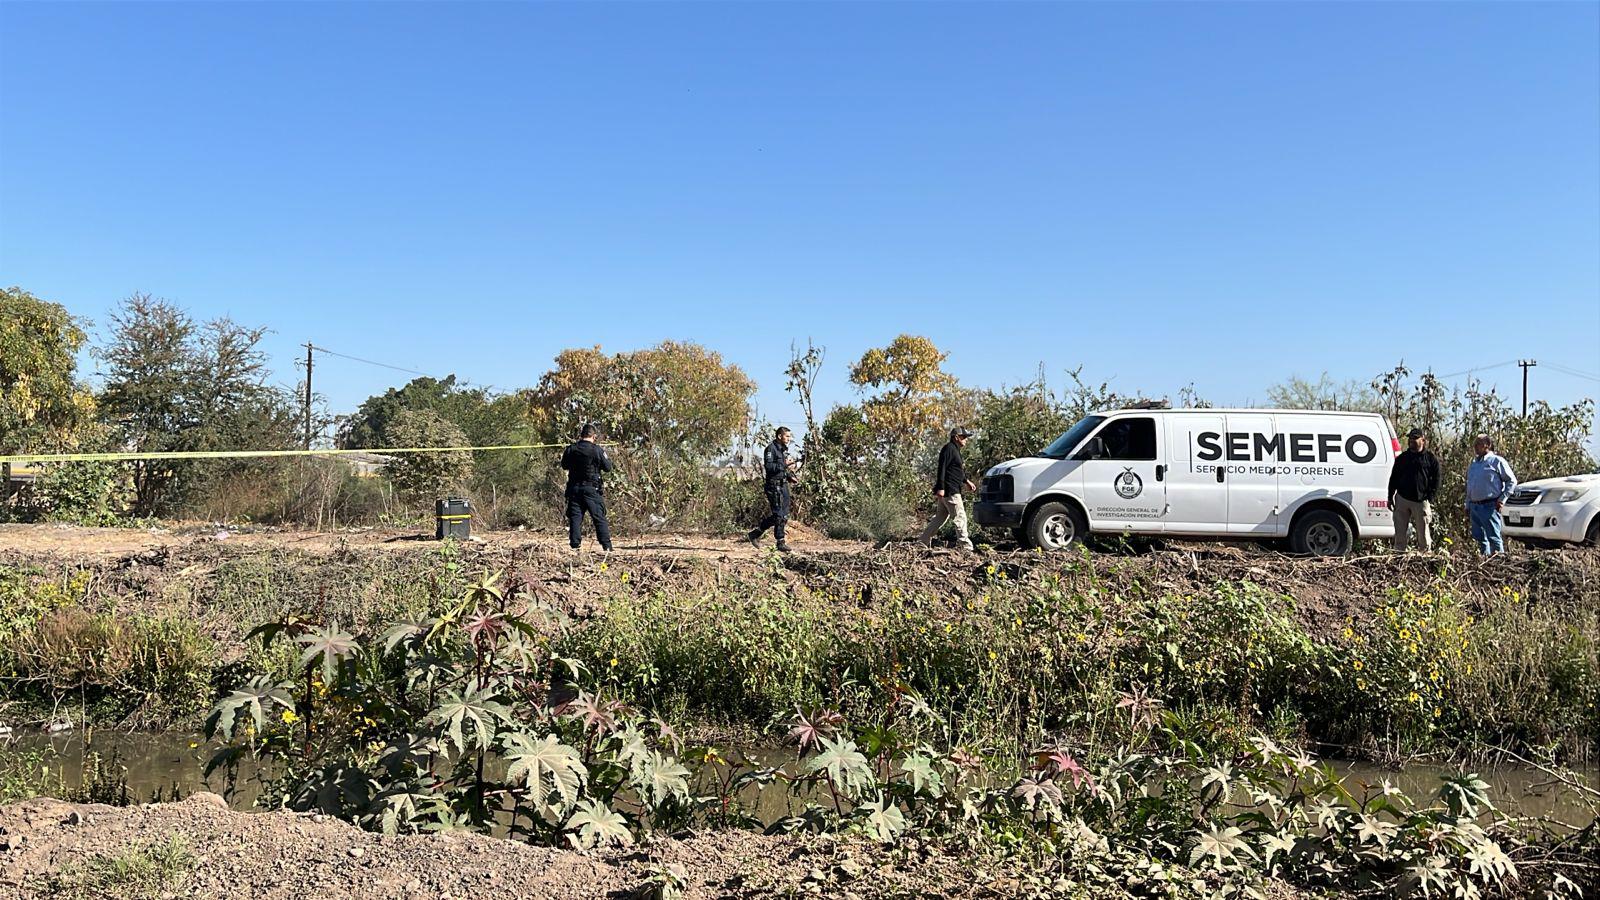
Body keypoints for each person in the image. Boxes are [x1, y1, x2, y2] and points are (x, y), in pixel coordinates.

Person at [919, 427, 976, 551]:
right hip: (950, 490)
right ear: (956, 437)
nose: (966, 440)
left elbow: (957, 471)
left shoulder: (955, 450)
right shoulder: (949, 449)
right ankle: (966, 547)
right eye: (964, 437)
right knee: (960, 517)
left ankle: (922, 542)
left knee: (940, 518)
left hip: (950, 489)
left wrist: (966, 481)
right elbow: (942, 468)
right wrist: (940, 487)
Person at [560, 423, 613, 553]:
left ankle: (575, 546)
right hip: (591, 489)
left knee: (575, 517)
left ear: (581, 435)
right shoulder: (597, 450)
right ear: (594, 436)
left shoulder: (571, 449)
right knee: (599, 517)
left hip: (574, 489)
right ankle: (607, 547)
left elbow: (564, 465)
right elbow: (608, 467)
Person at [1388, 427, 1441, 552]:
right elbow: (1393, 477)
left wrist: (1430, 497)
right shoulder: (1402, 458)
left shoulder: (1430, 459)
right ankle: (1399, 556)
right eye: (1410, 438)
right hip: (1402, 499)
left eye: (1415, 438)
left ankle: (1425, 557)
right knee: (1400, 534)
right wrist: (1390, 497)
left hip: (1421, 501)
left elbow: (1437, 479)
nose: (1412, 441)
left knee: (1423, 535)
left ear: (1423, 440)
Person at [1465, 433, 1516, 556]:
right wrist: (1467, 505)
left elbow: (1512, 481)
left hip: (1489, 506)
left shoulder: (1496, 461)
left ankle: (1499, 565)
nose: (1475, 447)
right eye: (1475, 444)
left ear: (1487, 445)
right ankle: (1484, 563)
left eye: (1478, 444)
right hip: (1474, 506)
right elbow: (1470, 485)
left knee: (1494, 538)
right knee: (1480, 538)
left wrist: (1502, 499)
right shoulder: (1474, 464)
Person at [748, 427, 798, 552]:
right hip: (774, 486)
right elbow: (769, 467)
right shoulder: (771, 449)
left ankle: (755, 534)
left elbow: (782, 469)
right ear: (779, 436)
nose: (789, 439)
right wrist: (784, 464)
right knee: (778, 515)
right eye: (787, 436)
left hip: (783, 485)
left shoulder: (782, 450)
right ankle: (780, 542)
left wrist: (789, 476)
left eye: (789, 436)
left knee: (784, 515)